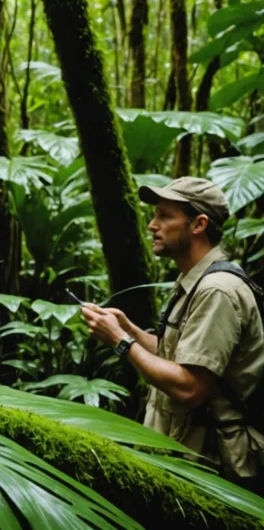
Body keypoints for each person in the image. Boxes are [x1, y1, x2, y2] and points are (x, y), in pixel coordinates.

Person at [82, 176, 264, 491]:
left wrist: (120, 342)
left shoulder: (217, 290)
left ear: (199, 224)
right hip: (181, 454)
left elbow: (190, 388)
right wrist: (130, 330)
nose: (152, 225)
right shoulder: (194, 280)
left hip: (210, 467)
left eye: (165, 216)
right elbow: (178, 356)